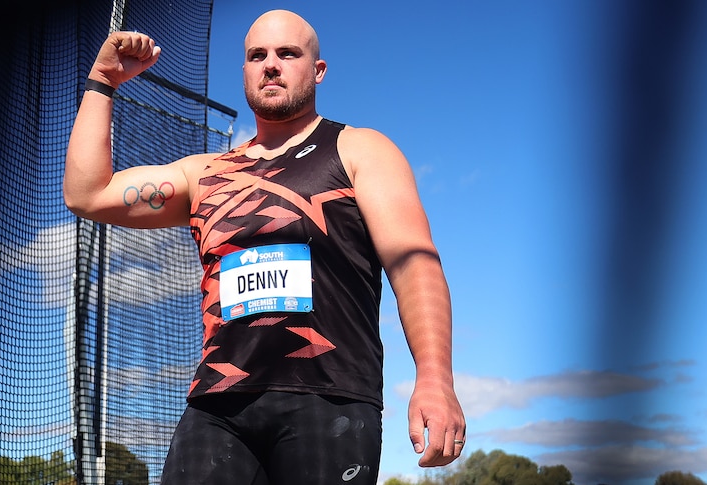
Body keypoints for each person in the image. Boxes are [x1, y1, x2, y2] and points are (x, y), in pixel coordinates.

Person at [64, 9, 466, 485]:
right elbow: (87, 194)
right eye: (257, 55)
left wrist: (436, 378)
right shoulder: (205, 174)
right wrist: (103, 81)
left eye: (287, 53)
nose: (271, 64)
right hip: (218, 404)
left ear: (317, 71)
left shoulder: (359, 149)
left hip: (329, 398)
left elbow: (413, 263)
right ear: (245, 72)